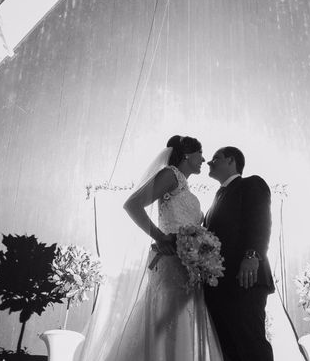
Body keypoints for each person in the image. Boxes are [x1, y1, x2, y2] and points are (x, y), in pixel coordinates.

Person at [79, 134, 223, 361]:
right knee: (166, 317)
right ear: (187, 155)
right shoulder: (171, 175)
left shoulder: (184, 185)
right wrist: (160, 237)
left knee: (180, 320)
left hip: (186, 266)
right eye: (200, 153)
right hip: (170, 263)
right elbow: (132, 205)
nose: (203, 159)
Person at [204, 146, 275, 361]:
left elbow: (260, 220)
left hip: (246, 279)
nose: (209, 162)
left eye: (216, 158)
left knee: (251, 344)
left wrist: (252, 255)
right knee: (229, 348)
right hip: (221, 286)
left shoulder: (250, 184)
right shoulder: (216, 198)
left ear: (231, 161)